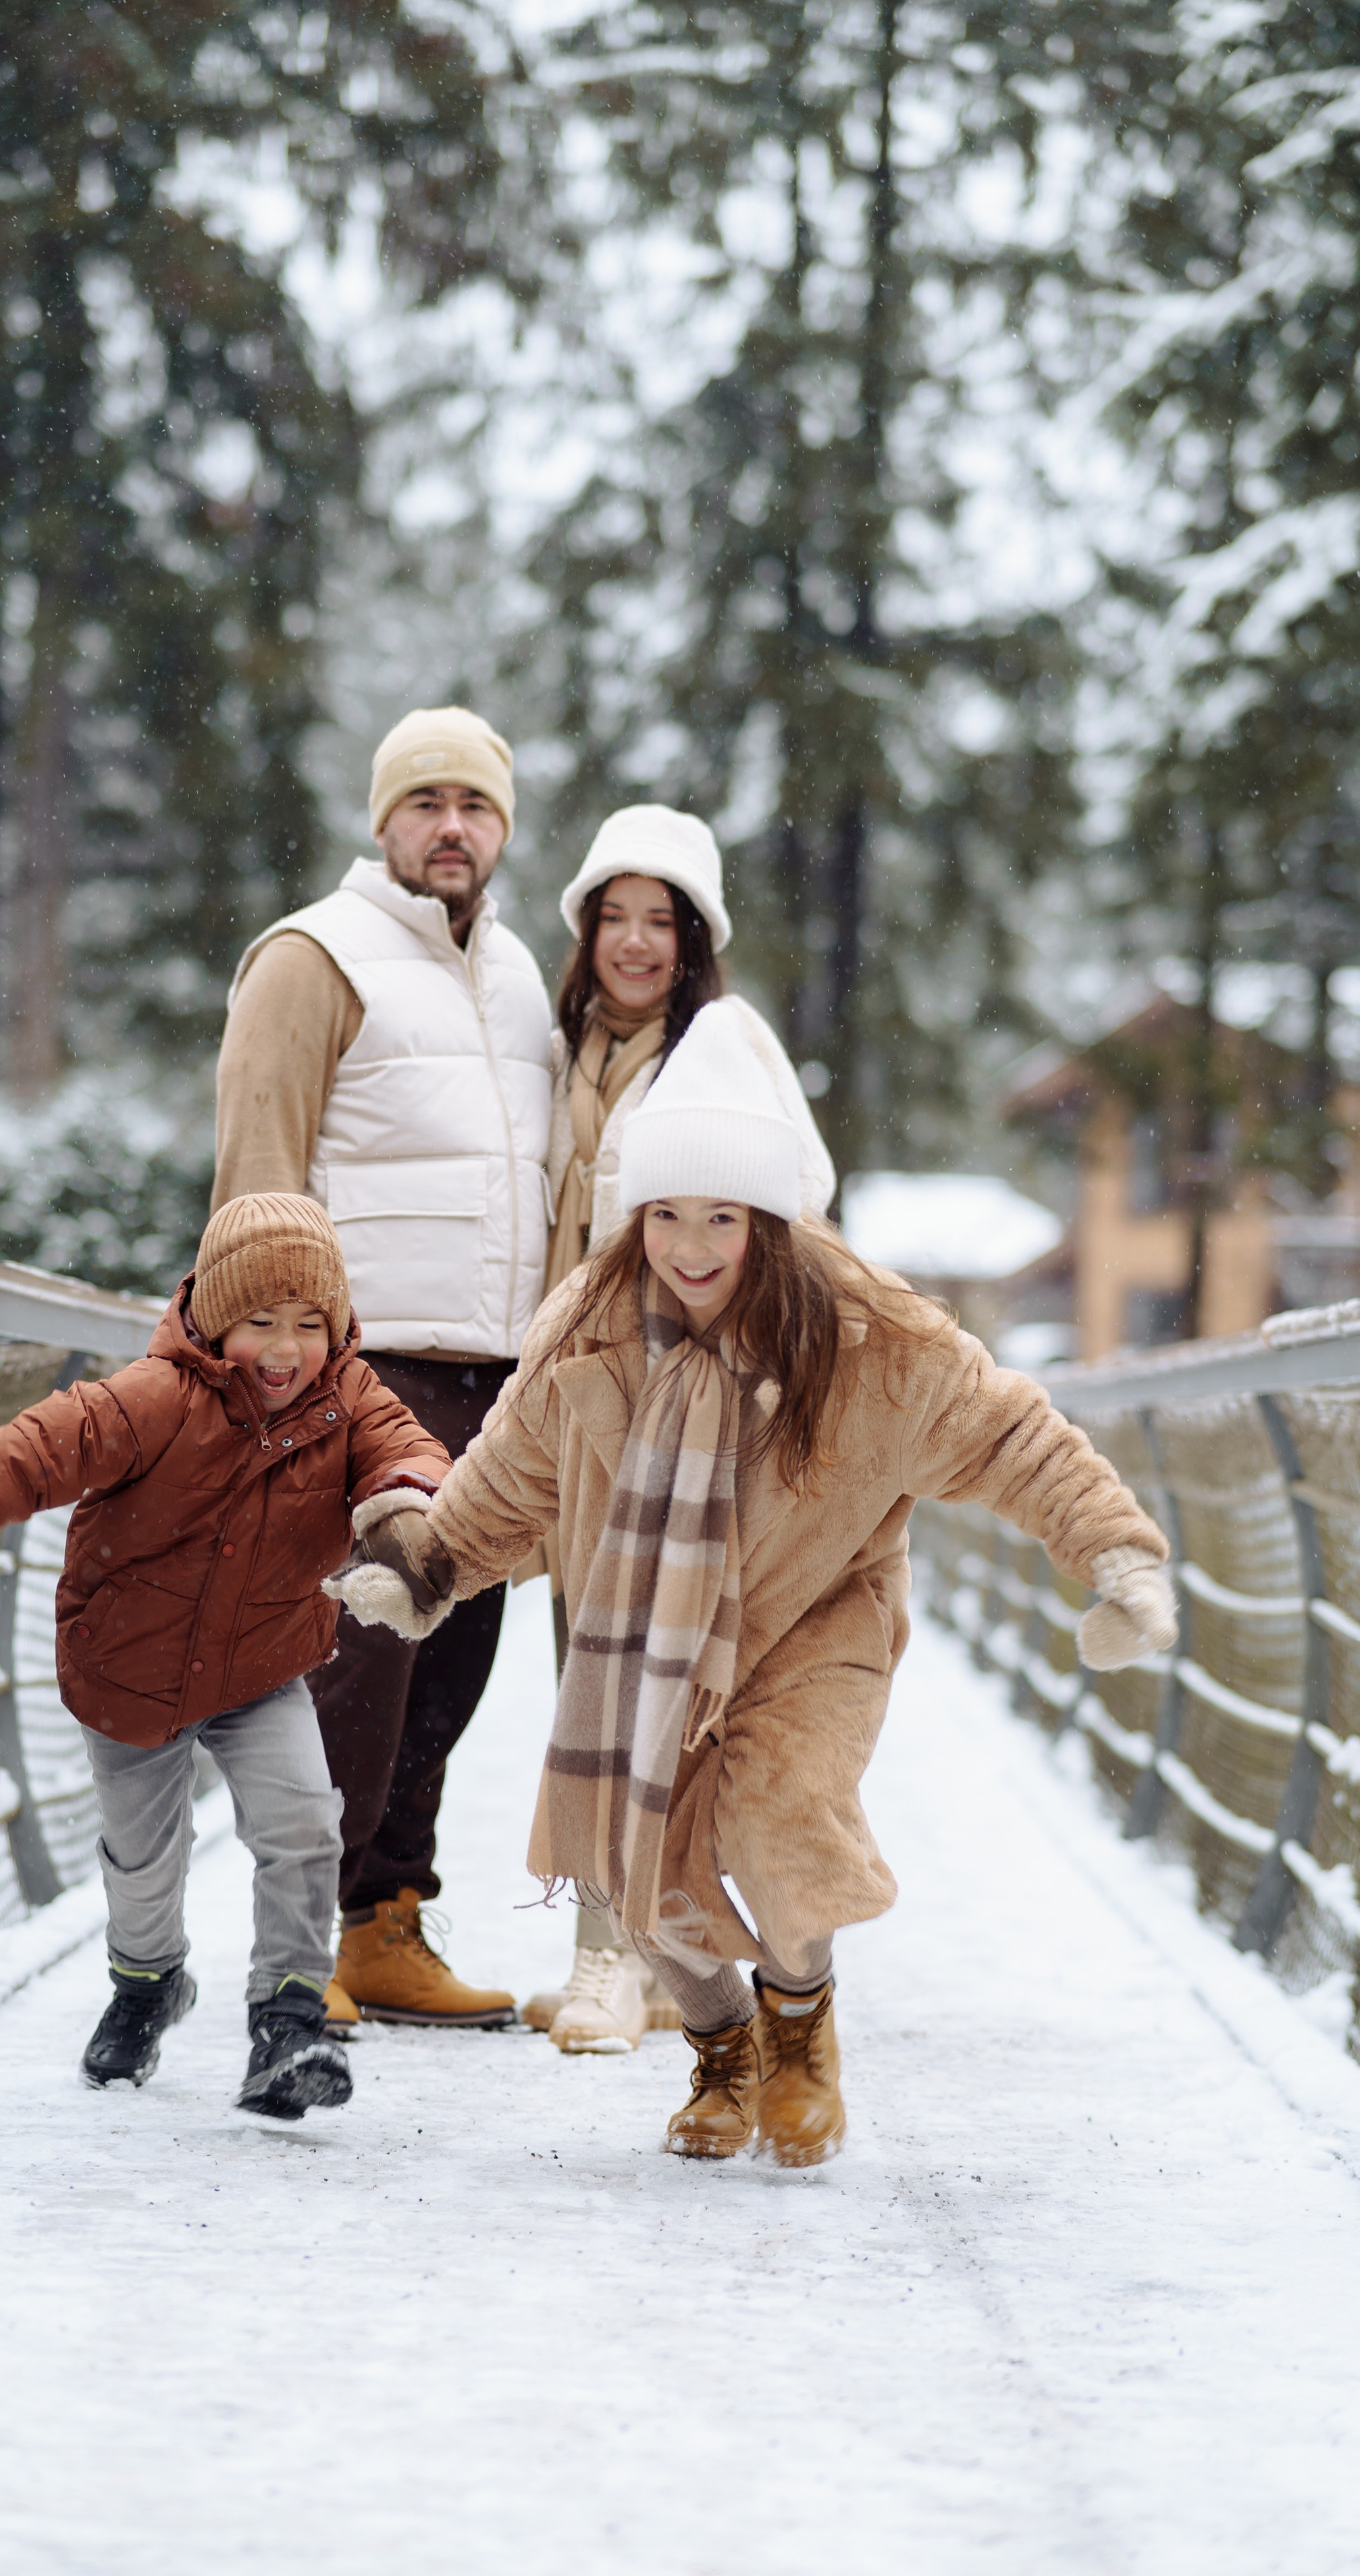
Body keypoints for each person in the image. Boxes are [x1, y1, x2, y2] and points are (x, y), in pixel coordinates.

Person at [328, 1005, 1177, 2165]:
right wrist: (427, 1570)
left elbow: (1011, 1438)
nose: (690, 1245)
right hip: (646, 1631)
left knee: (783, 1825)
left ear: (768, 1219)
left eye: (721, 1216)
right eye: (666, 1213)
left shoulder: (869, 1336)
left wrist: (1116, 1555)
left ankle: (801, 2031)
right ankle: (724, 2056)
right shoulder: (591, 1329)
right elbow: (512, 1471)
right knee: (646, 1884)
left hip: (820, 1618)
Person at [0, 1193, 450, 2122]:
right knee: (147, 1860)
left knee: (305, 1822)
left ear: (338, 1330)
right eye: (259, 1321)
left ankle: (289, 2020)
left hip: (262, 1666)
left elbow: (406, 1453)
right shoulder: (155, 1400)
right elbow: (25, 1456)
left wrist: (407, 1516)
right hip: (133, 1672)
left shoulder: (350, 1402)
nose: (285, 1348)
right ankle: (147, 1987)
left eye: (310, 1324)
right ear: (216, 1320)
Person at [212, 706, 552, 2031]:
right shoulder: (313, 958)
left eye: (475, 805)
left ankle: (384, 1924)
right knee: (350, 1663)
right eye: (426, 803)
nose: (451, 827)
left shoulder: (521, 975)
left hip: (498, 1381)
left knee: (453, 1661)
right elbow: (256, 1170)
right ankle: (293, 1944)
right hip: (362, 1373)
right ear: (382, 820)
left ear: (501, 830)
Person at [524, 803, 835, 2055]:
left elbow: (803, 1199)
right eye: (616, 916)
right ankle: (623, 1952)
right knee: (588, 1679)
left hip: (685, 1415)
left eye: (664, 920)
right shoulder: (564, 1051)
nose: (637, 943)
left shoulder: (724, 1046)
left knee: (667, 1686)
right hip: (578, 1408)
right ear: (586, 928)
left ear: (697, 936)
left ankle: (651, 1962)